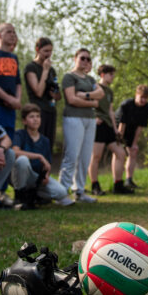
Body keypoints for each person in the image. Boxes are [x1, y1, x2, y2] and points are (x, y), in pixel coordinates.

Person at [59, 48, 103, 202]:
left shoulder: (90, 79)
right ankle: (62, 192)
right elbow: (71, 99)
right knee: (72, 155)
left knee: (85, 157)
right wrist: (91, 102)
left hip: (89, 119)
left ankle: (80, 191)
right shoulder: (69, 77)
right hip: (73, 118)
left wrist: (85, 95)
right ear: (75, 58)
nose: (85, 61)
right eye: (82, 58)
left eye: (88, 59)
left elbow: (100, 95)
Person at [11, 104, 75, 208]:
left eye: (38, 116)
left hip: (37, 177)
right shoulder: (20, 134)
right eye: (31, 117)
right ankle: (20, 197)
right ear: (24, 121)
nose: (35, 119)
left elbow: (47, 163)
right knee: (22, 160)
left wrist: (46, 175)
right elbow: (15, 152)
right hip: (20, 176)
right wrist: (39, 156)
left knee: (61, 192)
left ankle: (35, 196)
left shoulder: (45, 140)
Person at [88, 64, 132, 195]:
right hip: (98, 125)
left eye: (113, 74)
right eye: (111, 74)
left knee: (121, 153)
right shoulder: (94, 87)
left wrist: (115, 128)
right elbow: (87, 103)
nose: (113, 77)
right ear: (103, 75)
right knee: (96, 156)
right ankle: (95, 186)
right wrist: (93, 118)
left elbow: (111, 111)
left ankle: (118, 185)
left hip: (108, 126)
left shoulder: (110, 92)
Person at [24, 37, 61, 150]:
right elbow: (38, 92)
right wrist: (45, 70)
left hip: (51, 110)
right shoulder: (31, 67)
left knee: (48, 145)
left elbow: (58, 95)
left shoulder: (52, 70)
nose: (48, 54)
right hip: (38, 111)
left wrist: (55, 94)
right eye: (45, 51)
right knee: (37, 145)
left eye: (50, 51)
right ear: (37, 50)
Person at [115, 84, 148, 189]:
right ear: (136, 95)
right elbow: (122, 125)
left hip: (132, 129)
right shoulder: (126, 105)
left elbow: (140, 127)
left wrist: (134, 143)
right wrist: (119, 142)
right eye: (141, 97)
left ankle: (129, 180)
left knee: (133, 151)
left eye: (146, 98)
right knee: (119, 153)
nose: (143, 100)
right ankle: (117, 181)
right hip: (117, 129)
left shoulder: (147, 107)